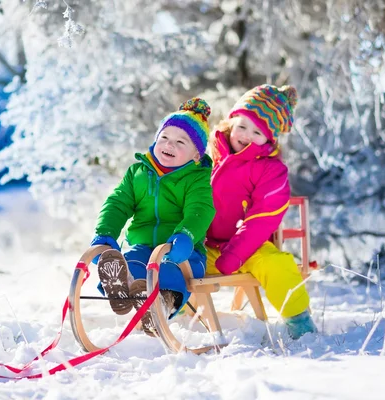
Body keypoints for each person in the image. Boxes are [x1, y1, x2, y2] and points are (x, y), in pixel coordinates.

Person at [91, 98, 216, 336]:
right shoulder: (138, 172)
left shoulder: (197, 178)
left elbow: (200, 210)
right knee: (133, 265)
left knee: (169, 272)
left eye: (181, 142)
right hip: (142, 246)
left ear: (196, 155)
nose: (169, 144)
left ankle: (161, 305)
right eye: (164, 138)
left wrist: (186, 235)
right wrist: (105, 232)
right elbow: (117, 203)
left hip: (182, 251)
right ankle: (123, 287)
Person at [205, 84, 316, 340]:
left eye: (257, 131)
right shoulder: (210, 158)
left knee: (277, 264)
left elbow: (263, 218)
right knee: (175, 260)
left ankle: (299, 321)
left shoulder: (271, 171)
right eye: (242, 125)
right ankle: (171, 308)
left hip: (249, 248)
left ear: (270, 139)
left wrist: (235, 252)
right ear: (231, 122)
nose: (246, 135)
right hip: (207, 245)